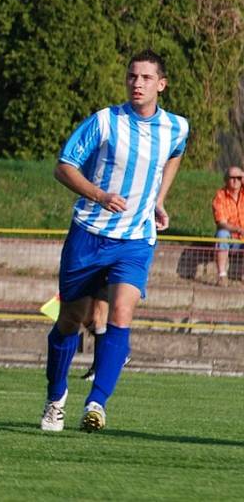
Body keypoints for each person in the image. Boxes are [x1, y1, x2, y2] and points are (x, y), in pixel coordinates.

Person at [40, 49, 189, 433]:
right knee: (71, 320)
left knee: (122, 313)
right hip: (89, 234)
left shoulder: (177, 126)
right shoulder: (105, 121)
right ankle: (56, 397)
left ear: (161, 84)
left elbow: (175, 153)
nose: (136, 83)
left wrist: (158, 199)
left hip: (136, 239)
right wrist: (98, 195)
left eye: (145, 78)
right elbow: (64, 166)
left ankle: (96, 403)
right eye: (132, 76)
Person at [211, 166, 244, 287]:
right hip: (231, 237)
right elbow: (221, 223)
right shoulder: (220, 196)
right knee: (222, 234)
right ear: (226, 179)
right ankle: (222, 275)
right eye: (232, 177)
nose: (235, 181)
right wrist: (239, 230)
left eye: (239, 178)